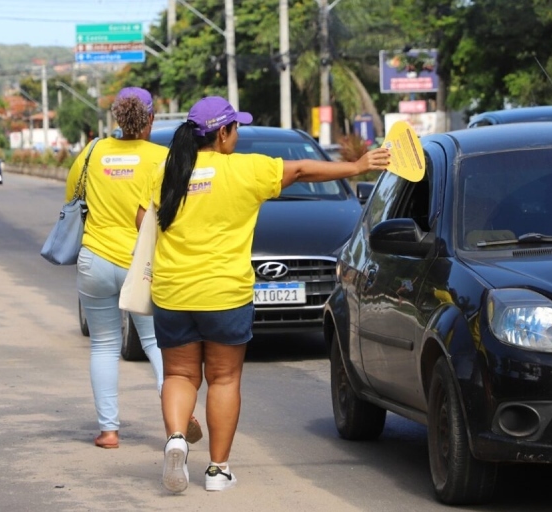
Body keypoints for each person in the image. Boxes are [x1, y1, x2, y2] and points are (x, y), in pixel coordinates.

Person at [149, 96, 390, 493]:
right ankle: (217, 470)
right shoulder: (246, 168)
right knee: (223, 379)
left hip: (172, 291)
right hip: (225, 293)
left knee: (179, 374)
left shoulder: (167, 170)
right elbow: (301, 170)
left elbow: (146, 218)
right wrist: (358, 166)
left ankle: (176, 439)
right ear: (223, 132)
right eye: (235, 128)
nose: (238, 135)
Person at [66, 87, 200, 450]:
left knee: (104, 346)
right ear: (151, 118)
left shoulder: (93, 152)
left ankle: (109, 431)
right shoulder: (162, 156)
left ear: (116, 119)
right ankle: (177, 419)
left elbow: (71, 198)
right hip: (142, 264)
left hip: (94, 259)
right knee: (158, 343)